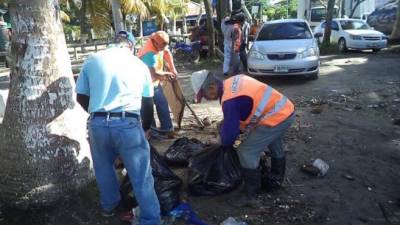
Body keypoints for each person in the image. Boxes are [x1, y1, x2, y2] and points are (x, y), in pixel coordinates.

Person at [75, 30, 161, 225]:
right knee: (141, 174)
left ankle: (109, 207)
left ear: (112, 43)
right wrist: (146, 128)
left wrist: (95, 111)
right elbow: (148, 103)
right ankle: (150, 219)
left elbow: (80, 95)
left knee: (104, 167)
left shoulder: (92, 60)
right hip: (127, 123)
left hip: (97, 124)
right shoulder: (138, 64)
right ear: (130, 46)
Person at [205, 74, 295, 206]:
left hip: (276, 117)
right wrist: (226, 123)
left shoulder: (229, 100)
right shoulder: (231, 83)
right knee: (273, 142)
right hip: (284, 110)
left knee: (246, 151)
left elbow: (229, 137)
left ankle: (251, 196)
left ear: (212, 87)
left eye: (204, 95)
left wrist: (219, 140)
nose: (205, 99)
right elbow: (243, 109)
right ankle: (276, 179)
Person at [137, 31, 178, 135]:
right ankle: (152, 132)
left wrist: (173, 69)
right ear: (155, 43)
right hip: (144, 85)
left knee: (162, 103)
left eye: (165, 45)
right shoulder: (148, 53)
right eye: (162, 45)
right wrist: (167, 74)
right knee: (148, 109)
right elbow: (154, 73)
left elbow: (167, 53)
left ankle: (167, 129)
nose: (164, 48)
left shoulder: (161, 45)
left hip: (155, 82)